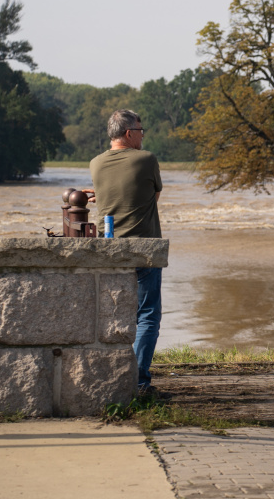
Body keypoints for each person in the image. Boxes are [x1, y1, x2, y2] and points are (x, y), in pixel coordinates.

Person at [84, 109, 163, 395]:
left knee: (114, 316)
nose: (143, 136)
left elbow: (112, 195)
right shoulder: (146, 159)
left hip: (109, 250)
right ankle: (139, 382)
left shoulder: (95, 163)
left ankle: (109, 378)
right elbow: (153, 195)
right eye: (141, 131)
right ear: (129, 133)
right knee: (147, 315)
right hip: (144, 249)